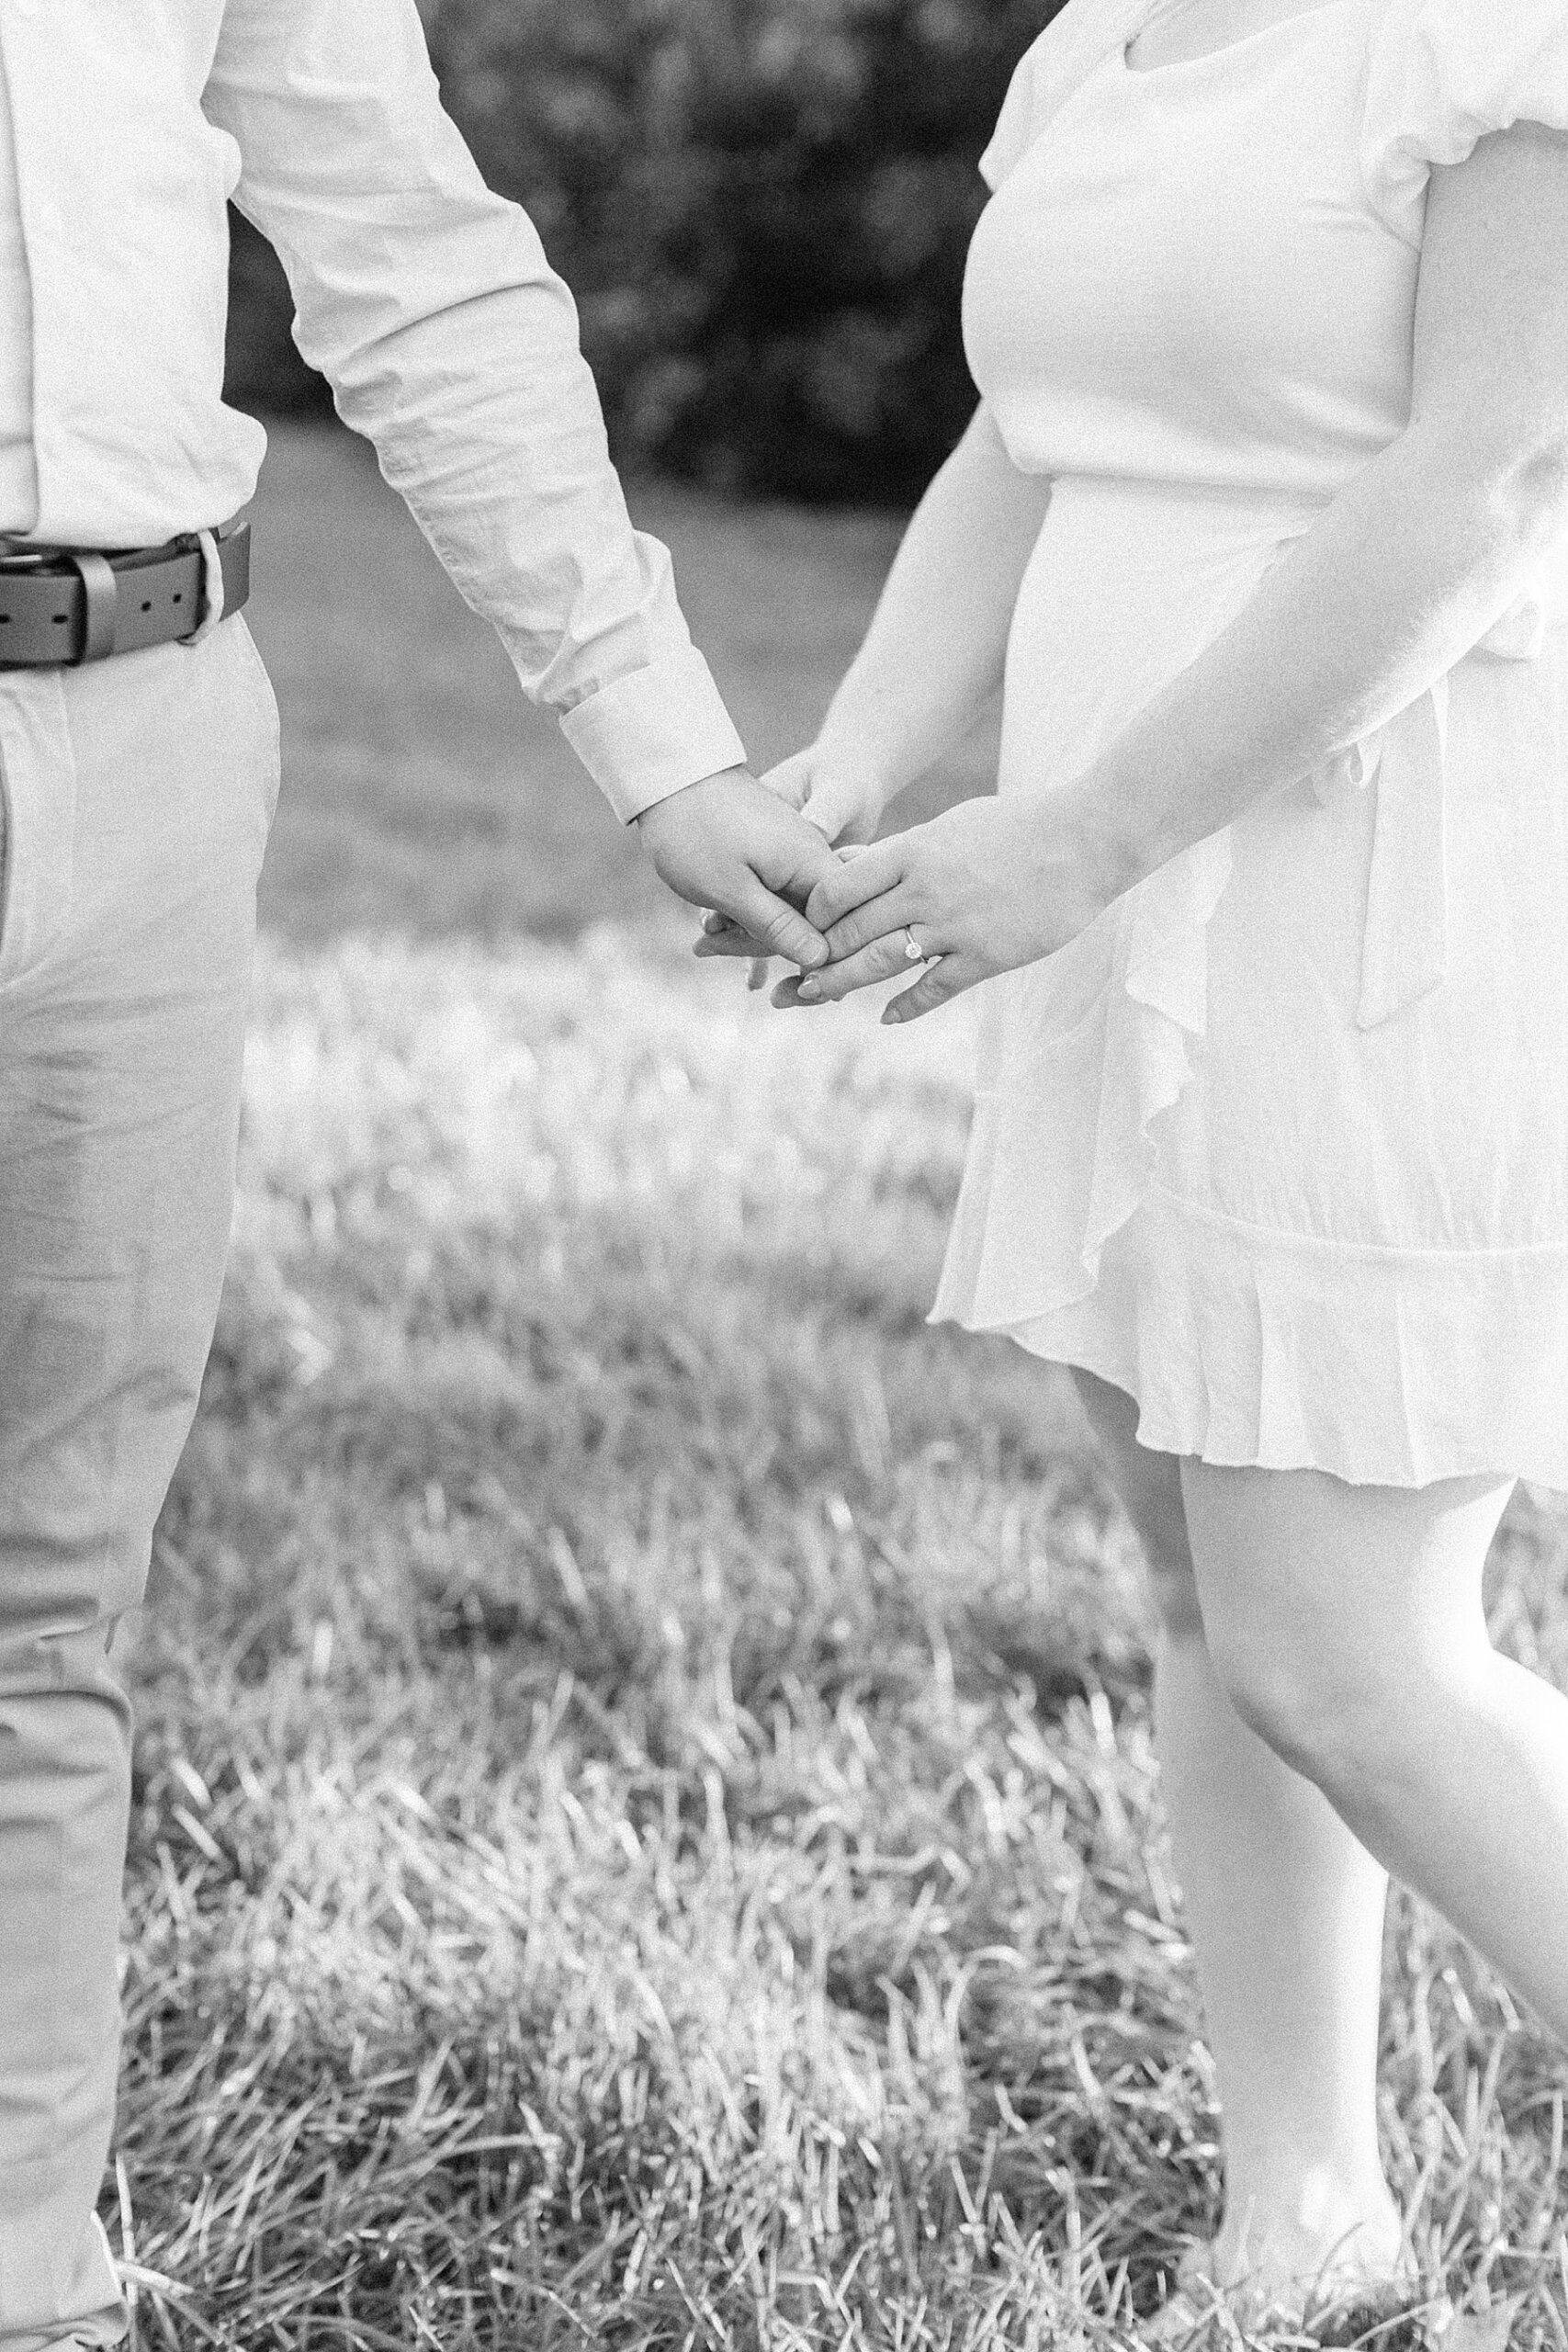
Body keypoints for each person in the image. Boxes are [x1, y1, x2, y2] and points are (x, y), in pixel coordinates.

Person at [701, 0, 1568, 2330]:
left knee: (1351, 1646)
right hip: (1096, 890)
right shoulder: (1096, 37)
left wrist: (1078, 835)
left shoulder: (1492, 41)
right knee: (1206, 1579)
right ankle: (1303, 2210)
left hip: (1368, 897)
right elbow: (1025, 430)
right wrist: (861, 765)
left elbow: (1485, 475)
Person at [0, 2, 839, 2342]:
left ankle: (27, 2274)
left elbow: (407, 251)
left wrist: (658, 742)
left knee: (53, 1579)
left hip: (159, 715)